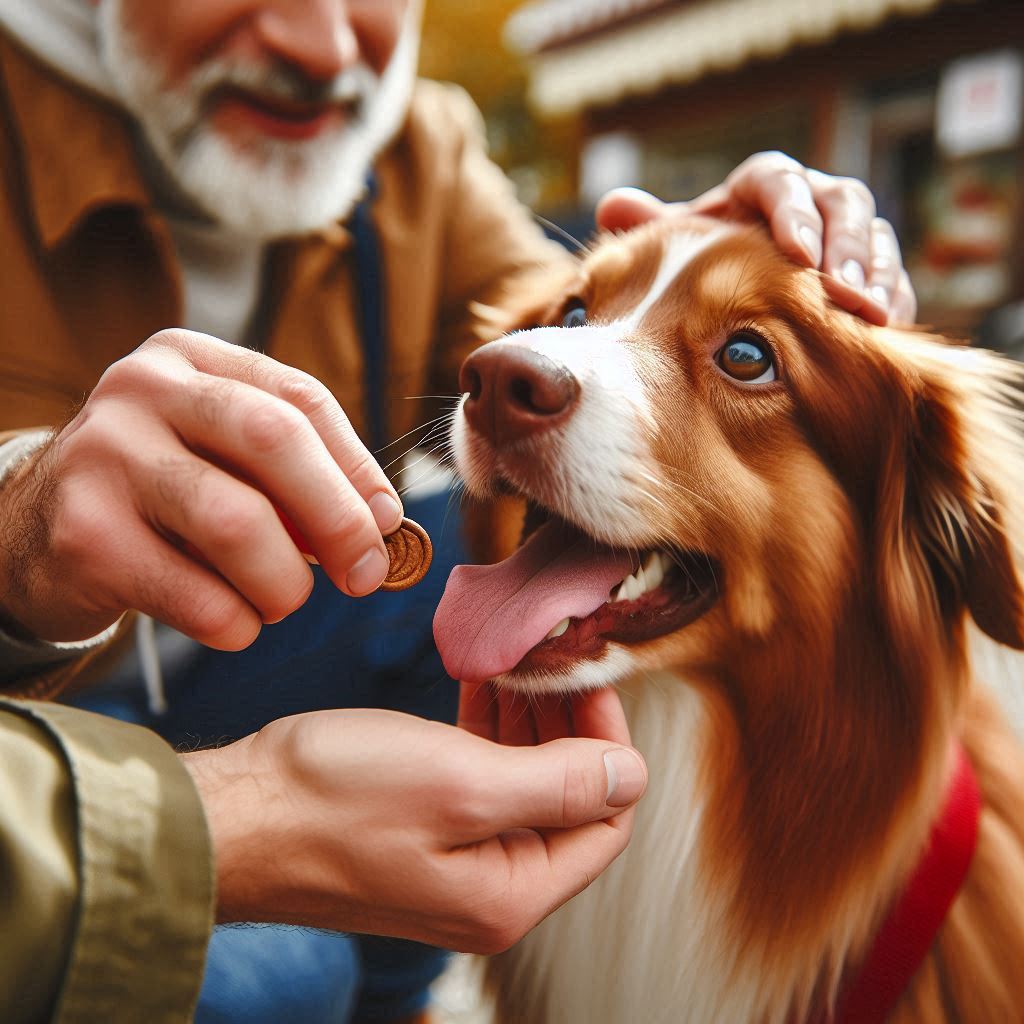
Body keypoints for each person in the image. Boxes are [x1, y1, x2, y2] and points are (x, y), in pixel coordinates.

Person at [0, 0, 917, 1020]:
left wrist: (687, 258)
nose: (325, 46)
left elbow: (550, 331)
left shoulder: (415, 146)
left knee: (474, 570)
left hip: (240, 674)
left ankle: (398, 984)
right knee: (288, 977)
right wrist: (16, 524)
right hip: (28, 735)